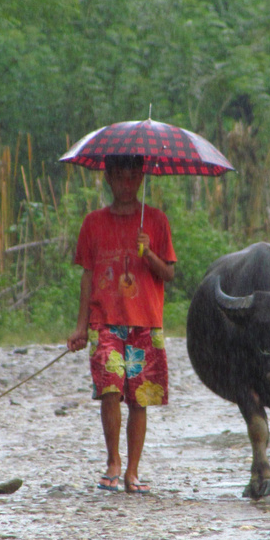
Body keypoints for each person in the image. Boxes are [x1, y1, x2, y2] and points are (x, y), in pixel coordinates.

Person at [67, 154, 176, 495]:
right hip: (106, 322)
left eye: (133, 177)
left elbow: (169, 274)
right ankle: (113, 461)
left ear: (141, 178)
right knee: (111, 389)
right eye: (120, 177)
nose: (127, 184)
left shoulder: (156, 222)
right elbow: (88, 275)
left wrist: (149, 254)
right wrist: (81, 326)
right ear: (109, 179)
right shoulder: (93, 223)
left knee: (139, 397)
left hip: (145, 323)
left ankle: (132, 471)